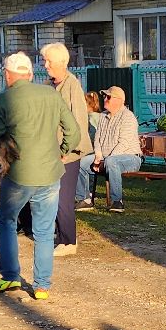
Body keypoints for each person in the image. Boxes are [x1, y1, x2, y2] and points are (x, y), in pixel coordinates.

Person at [0, 52, 81, 299]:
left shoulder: (1, 100)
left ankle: (10, 277)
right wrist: (61, 152)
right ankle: (42, 286)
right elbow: (74, 132)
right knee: (45, 231)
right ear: (30, 73)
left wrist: (0, 155)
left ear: (7, 74)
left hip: (18, 175)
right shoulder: (50, 94)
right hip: (49, 173)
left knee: (6, 220)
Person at [41, 44, 92, 256]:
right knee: (51, 196)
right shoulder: (48, 85)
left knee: (63, 197)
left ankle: (69, 241)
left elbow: (79, 122)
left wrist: (67, 151)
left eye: (49, 62)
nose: (45, 66)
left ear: (62, 63)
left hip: (69, 153)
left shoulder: (72, 86)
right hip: (51, 152)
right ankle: (60, 236)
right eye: (45, 61)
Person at [90, 84, 142, 212]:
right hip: (105, 158)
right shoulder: (103, 116)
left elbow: (123, 144)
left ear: (119, 100)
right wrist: (98, 156)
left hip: (131, 158)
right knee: (83, 163)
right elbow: (97, 139)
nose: (105, 99)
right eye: (104, 96)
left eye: (108, 97)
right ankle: (85, 199)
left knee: (111, 162)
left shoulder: (128, 117)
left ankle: (117, 201)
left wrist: (105, 160)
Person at [75, 90, 103, 208]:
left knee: (84, 167)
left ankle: (85, 194)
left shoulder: (89, 118)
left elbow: (91, 133)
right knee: (89, 171)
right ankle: (90, 192)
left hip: (91, 148)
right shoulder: (100, 116)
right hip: (97, 148)